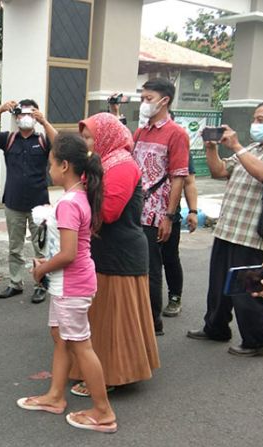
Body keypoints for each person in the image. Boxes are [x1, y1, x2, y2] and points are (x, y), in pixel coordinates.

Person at [17, 132, 117, 434]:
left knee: (80, 346)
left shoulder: (69, 203)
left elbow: (69, 254)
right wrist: (47, 266)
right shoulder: (77, 197)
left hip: (72, 284)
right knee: (61, 337)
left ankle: (103, 412)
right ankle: (55, 396)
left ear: (64, 166)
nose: (48, 169)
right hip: (69, 283)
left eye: (50, 163)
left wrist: (42, 269)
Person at [187, 100, 263, 356]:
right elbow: (219, 171)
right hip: (228, 228)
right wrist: (211, 149)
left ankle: (258, 340)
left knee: (247, 289)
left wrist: (236, 146)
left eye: (260, 119)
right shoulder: (253, 148)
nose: (255, 124)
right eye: (254, 119)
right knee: (218, 284)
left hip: (250, 233)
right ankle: (215, 327)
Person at [70, 112, 159, 395]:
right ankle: (102, 369)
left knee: (114, 319)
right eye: (84, 137)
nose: (86, 142)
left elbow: (108, 212)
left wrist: (74, 209)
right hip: (107, 249)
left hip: (120, 252)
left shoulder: (121, 166)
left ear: (106, 135)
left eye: (89, 137)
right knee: (105, 316)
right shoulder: (103, 163)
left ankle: (109, 375)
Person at [0, 99, 58, 304]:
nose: (25, 118)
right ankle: (15, 283)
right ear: (16, 116)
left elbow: (59, 144)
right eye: (21, 114)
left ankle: (41, 284)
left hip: (39, 205)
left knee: (40, 247)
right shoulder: (9, 139)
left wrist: (44, 121)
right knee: (14, 247)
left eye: (30, 114)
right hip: (14, 203)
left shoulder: (42, 139)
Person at [132, 78, 189, 335]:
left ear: (164, 100)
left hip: (156, 211)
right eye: (142, 98)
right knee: (137, 264)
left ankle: (153, 321)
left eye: (148, 99)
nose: (144, 103)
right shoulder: (141, 131)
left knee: (152, 267)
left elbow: (179, 177)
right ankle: (139, 313)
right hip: (135, 209)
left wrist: (169, 216)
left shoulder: (176, 134)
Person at [161, 155, 199, 317]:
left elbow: (189, 182)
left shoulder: (179, 147)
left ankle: (175, 297)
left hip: (170, 215)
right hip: (143, 215)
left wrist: (193, 211)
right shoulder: (142, 141)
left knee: (170, 258)